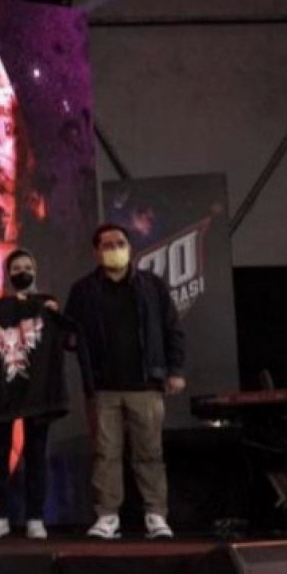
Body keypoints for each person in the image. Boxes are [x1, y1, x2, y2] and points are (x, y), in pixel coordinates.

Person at [64, 224, 185, 540]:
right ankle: (107, 517)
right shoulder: (83, 290)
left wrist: (175, 370)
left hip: (145, 385)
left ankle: (156, 515)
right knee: (106, 454)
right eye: (107, 245)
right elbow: (69, 334)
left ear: (130, 248)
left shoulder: (152, 286)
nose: (114, 249)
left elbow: (172, 329)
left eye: (120, 243)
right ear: (96, 252)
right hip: (103, 387)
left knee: (150, 453)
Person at [0, 249, 57, 540]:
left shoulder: (47, 304)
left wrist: (52, 313)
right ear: (7, 273)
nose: (22, 272)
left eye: (27, 266)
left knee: (36, 453)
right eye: (16, 268)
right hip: (2, 389)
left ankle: (35, 517)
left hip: (37, 390)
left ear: (35, 270)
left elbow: (62, 340)